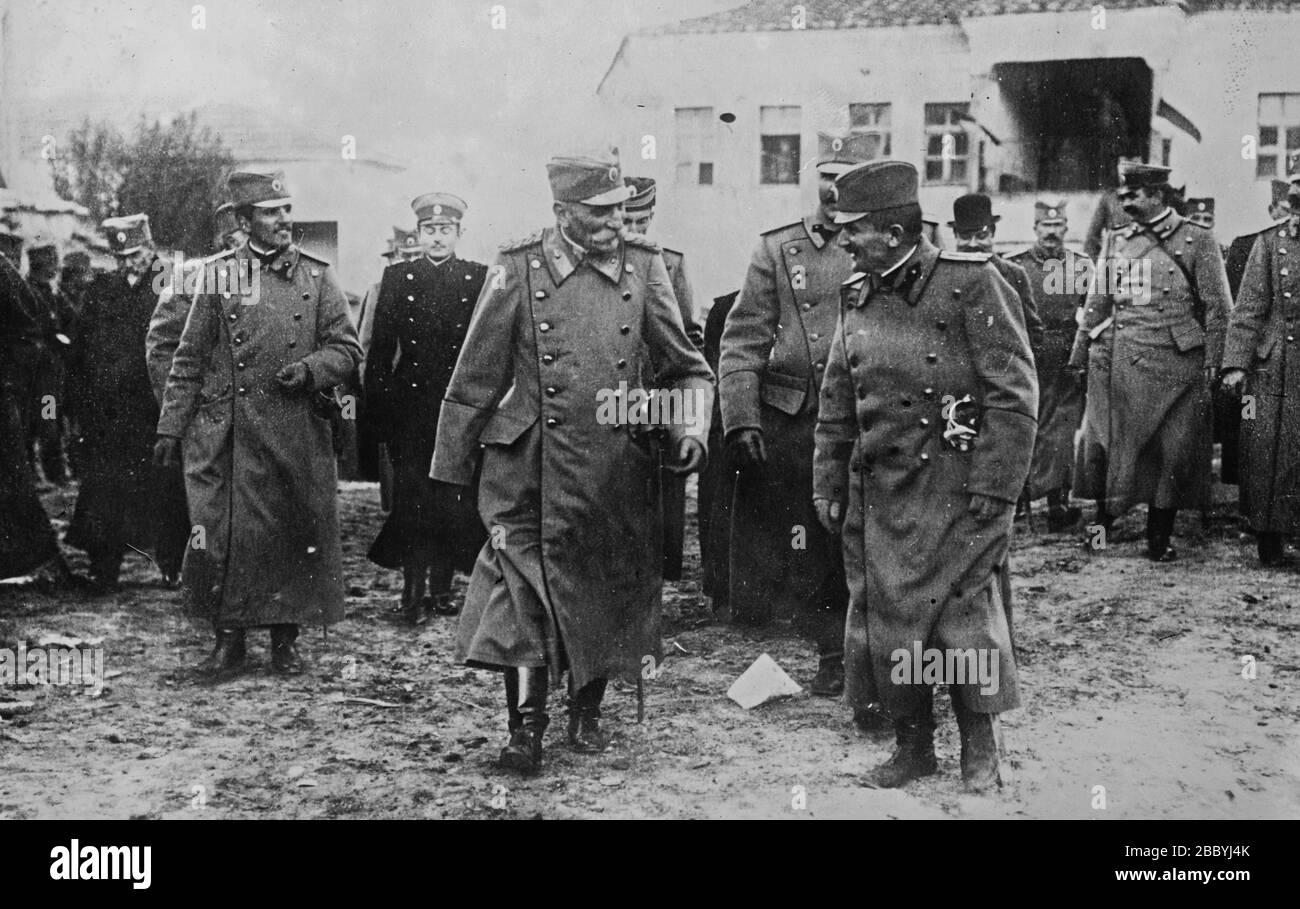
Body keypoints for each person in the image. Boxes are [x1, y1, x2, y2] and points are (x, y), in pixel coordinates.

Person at [430, 149, 713, 775]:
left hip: (615, 463)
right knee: (520, 592)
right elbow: (475, 376)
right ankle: (526, 728)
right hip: (527, 464)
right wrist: (449, 472)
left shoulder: (646, 268)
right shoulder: (517, 267)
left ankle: (587, 706)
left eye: (620, 211)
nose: (618, 223)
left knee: (599, 588)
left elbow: (687, 367)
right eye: (601, 213)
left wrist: (689, 427)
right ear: (563, 213)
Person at [813, 160, 1037, 792]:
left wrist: (996, 489)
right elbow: (839, 400)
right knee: (888, 621)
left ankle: (979, 744)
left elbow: (1013, 396)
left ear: (889, 233)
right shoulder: (856, 293)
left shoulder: (973, 282)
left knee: (963, 619)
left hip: (956, 490)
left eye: (852, 228)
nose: (842, 238)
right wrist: (828, 483)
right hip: (879, 493)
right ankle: (913, 747)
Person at [153, 171, 362, 676]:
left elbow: (349, 350)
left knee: (293, 529)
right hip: (228, 433)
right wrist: (170, 426)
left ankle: (286, 641)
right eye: (271, 212)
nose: (284, 220)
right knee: (221, 533)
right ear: (246, 221)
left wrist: (312, 369)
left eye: (287, 209)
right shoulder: (218, 275)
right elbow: (188, 357)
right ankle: (228, 642)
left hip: (294, 427)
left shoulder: (317, 276)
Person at [717, 145, 862, 696]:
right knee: (809, 540)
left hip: (861, 416)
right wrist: (741, 419)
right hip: (795, 420)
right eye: (826, 177)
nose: (834, 190)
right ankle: (829, 650)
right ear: (810, 181)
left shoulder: (877, 240)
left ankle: (864, 645)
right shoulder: (778, 248)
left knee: (858, 532)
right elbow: (744, 337)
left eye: (847, 178)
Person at [1069, 161, 1231, 561]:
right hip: (1122, 361)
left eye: (1133, 194)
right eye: (1122, 195)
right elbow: (1097, 299)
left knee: (1171, 455)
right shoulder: (1117, 240)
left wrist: (1218, 364)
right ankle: (1100, 534)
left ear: (1158, 194)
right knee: (1109, 450)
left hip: (1179, 365)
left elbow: (1218, 308)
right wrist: (1078, 352)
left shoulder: (1197, 239)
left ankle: (1158, 541)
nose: (1124, 201)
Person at [363, 193, 488, 622]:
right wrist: (380, 411)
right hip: (411, 408)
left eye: (445, 230)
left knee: (453, 496)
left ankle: (443, 587)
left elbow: (486, 350)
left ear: (459, 234)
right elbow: (380, 351)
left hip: (457, 407)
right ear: (418, 234)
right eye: (430, 230)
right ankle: (412, 589)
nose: (437, 237)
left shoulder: (478, 279)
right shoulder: (398, 278)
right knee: (413, 499)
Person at [65, 215, 188, 591]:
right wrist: (75, 404)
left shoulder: (169, 283)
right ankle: (104, 567)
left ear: (149, 248)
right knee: (104, 491)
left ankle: (172, 564)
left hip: (152, 407)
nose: (127, 263)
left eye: (134, 254)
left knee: (165, 489)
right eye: (120, 256)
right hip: (109, 412)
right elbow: (81, 348)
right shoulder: (102, 288)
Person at [622, 175, 704, 582]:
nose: (634, 230)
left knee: (666, 481)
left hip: (659, 391)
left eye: (642, 221)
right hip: (616, 391)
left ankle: (664, 566)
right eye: (627, 220)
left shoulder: (668, 262)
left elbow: (688, 335)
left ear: (651, 217)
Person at [1220, 180, 1300, 566]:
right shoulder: (1269, 244)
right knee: (1268, 451)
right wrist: (1235, 363)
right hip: (1275, 363)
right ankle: (1269, 538)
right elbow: (1249, 306)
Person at [0, 224, 79, 586]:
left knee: (18, 466)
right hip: (33, 386)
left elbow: (29, 325)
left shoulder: (9, 277)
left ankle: (39, 559)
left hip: (38, 387)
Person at [1007, 201, 1088, 531]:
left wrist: (1083, 356)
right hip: (1028, 354)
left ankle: (1058, 503)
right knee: (1025, 426)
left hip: (1067, 358)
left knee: (1062, 430)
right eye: (1046, 226)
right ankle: (1017, 500)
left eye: (1058, 226)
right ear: (1035, 229)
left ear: (1066, 228)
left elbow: (1094, 311)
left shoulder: (1079, 266)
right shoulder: (1016, 267)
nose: (1052, 232)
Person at [23, 241, 75, 484]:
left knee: (45, 424)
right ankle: (50, 474)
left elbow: (71, 321)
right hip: (40, 377)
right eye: (51, 262)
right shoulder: (31, 294)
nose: (55, 267)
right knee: (45, 425)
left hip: (51, 375)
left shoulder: (52, 294)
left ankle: (44, 474)